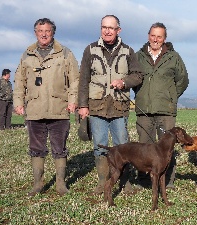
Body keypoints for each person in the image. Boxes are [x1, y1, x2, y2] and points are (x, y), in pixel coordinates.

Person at [78, 15, 143, 195]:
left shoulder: (128, 51)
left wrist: (124, 82)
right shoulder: (90, 50)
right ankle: (102, 182)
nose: (107, 31)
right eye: (104, 27)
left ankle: (126, 183)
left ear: (118, 30)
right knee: (99, 146)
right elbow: (83, 79)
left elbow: (138, 75)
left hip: (119, 107)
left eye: (111, 28)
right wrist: (82, 105)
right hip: (97, 107)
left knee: (123, 146)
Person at [14, 18, 80, 196]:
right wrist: (18, 102)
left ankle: (60, 184)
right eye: (40, 31)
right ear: (35, 32)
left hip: (59, 109)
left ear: (53, 33)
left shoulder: (65, 53)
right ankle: (38, 184)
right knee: (36, 148)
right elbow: (19, 81)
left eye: (47, 31)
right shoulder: (26, 54)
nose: (43, 34)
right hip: (35, 110)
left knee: (60, 148)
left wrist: (73, 100)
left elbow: (75, 80)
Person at [134, 22, 189, 189]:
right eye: (153, 35)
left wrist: (170, 97)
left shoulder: (174, 57)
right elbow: (133, 78)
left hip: (166, 111)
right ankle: (144, 181)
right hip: (144, 111)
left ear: (164, 38)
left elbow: (183, 80)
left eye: (159, 36)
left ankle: (168, 181)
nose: (155, 39)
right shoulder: (138, 56)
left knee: (167, 148)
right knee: (144, 148)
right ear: (148, 36)